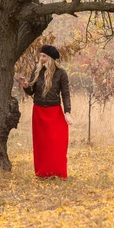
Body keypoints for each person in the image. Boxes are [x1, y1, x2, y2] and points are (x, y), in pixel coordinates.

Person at [17, 45, 73, 179]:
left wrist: (67, 112)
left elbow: (65, 94)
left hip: (55, 112)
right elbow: (31, 92)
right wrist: (26, 85)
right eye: (40, 55)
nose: (40, 58)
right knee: (41, 144)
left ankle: (57, 172)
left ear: (51, 59)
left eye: (44, 56)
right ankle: (43, 173)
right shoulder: (37, 71)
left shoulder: (61, 73)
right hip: (39, 112)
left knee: (56, 144)